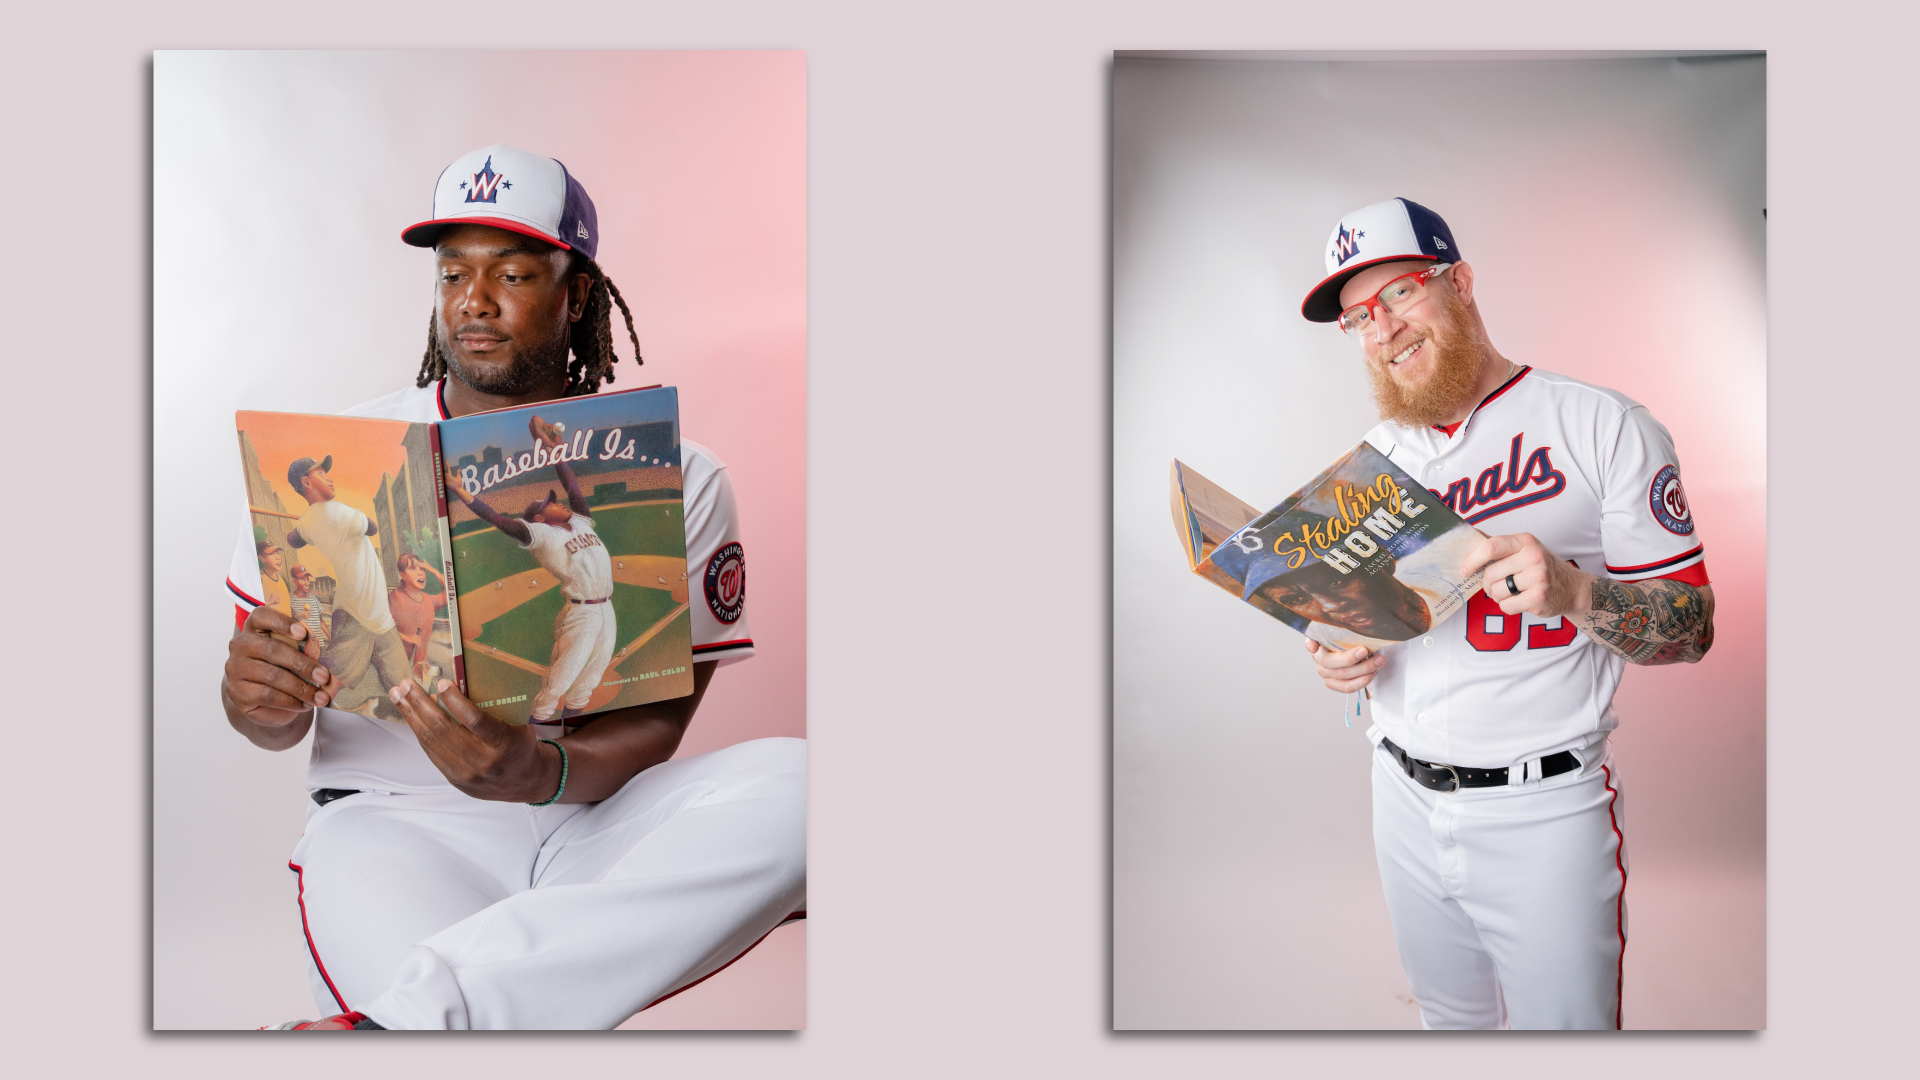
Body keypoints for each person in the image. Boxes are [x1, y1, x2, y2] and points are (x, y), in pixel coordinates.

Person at [220, 144, 803, 1030]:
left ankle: (413, 1022)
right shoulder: (336, 456)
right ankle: (455, 1011)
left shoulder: (680, 472)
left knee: (808, 785)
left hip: (589, 820)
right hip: (396, 823)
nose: (474, 300)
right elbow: (271, 720)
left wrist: (539, 771)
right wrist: (258, 700)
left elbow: (656, 725)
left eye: (513, 273)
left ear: (578, 294)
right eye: (454, 272)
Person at [1295, 198, 1714, 1030]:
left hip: (1543, 812)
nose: (1382, 328)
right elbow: (1362, 625)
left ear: (1459, 283)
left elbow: (1692, 629)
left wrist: (1578, 592)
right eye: (1358, 317)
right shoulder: (1374, 463)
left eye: (1400, 293)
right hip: (1401, 797)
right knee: (1448, 1023)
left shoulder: (1600, 424)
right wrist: (1338, 652)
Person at [443, 415, 617, 722]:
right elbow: (499, 520)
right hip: (582, 614)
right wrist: (461, 492)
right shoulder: (541, 535)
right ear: (539, 518)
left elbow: (572, 485)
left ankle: (576, 731)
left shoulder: (579, 520)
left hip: (607, 609)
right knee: (560, 680)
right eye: (550, 504)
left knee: (590, 678)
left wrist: (554, 451)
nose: (559, 502)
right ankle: (539, 729)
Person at [1250, 559, 1432, 642]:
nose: (1330, 606)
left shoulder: (1440, 563)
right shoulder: (1322, 640)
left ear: (1384, 562)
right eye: (1297, 599)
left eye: (1335, 581)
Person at [388, 551, 447, 678]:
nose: (420, 573)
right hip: (400, 669)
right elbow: (383, 629)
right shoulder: (395, 598)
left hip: (423, 669)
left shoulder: (428, 600)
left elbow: (450, 591)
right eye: (413, 568)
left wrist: (431, 569)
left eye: (422, 569)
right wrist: (407, 638)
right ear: (402, 575)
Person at [288, 564, 329, 652]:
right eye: (302, 579)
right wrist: (299, 615)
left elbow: (321, 622)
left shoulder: (313, 598)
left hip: (318, 644)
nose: (307, 583)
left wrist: (331, 639)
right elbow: (288, 621)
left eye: (307, 579)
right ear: (294, 581)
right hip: (302, 646)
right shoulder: (290, 599)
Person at [256, 541, 292, 618]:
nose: (278, 557)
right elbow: (249, 607)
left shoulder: (283, 581)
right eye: (271, 554)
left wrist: (298, 616)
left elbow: (286, 606)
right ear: (262, 558)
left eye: (277, 553)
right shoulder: (258, 580)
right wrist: (269, 602)